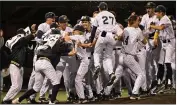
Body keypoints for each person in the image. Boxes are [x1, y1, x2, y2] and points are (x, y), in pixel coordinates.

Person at [2, 28, 36, 104]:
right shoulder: (19, 40)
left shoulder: (18, 42)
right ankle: (5, 100)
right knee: (15, 85)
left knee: (19, 86)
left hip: (19, 65)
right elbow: (23, 39)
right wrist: (33, 34)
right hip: (14, 64)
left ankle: (8, 99)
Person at [90, 2, 117, 87]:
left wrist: (91, 40)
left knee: (96, 53)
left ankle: (97, 66)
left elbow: (94, 29)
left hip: (103, 34)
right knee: (108, 57)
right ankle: (111, 73)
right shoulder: (112, 15)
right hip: (111, 36)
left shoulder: (98, 15)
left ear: (99, 8)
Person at [149, 5, 175, 90]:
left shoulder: (165, 18)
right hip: (164, 43)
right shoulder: (160, 19)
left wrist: (152, 26)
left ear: (161, 12)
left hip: (170, 43)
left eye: (157, 12)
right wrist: (156, 38)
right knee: (160, 62)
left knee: (167, 62)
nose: (155, 13)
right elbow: (158, 30)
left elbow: (160, 27)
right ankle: (160, 81)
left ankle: (170, 82)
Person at [121, 15, 147, 99]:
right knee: (141, 74)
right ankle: (134, 93)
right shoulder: (138, 30)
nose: (138, 23)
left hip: (123, 55)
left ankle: (107, 92)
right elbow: (145, 41)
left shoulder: (125, 29)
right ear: (134, 21)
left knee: (128, 74)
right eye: (137, 21)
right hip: (129, 56)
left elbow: (121, 38)